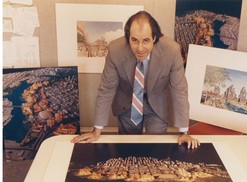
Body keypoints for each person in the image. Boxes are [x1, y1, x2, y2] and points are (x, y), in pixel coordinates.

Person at [71, 11, 200, 149]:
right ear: (128, 38)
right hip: (127, 102)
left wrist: (184, 132)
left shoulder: (172, 51)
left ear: (154, 38)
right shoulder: (115, 50)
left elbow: (179, 90)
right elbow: (106, 89)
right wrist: (96, 131)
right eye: (134, 40)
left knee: (156, 149)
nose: (140, 48)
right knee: (128, 148)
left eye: (146, 41)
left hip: (158, 102)